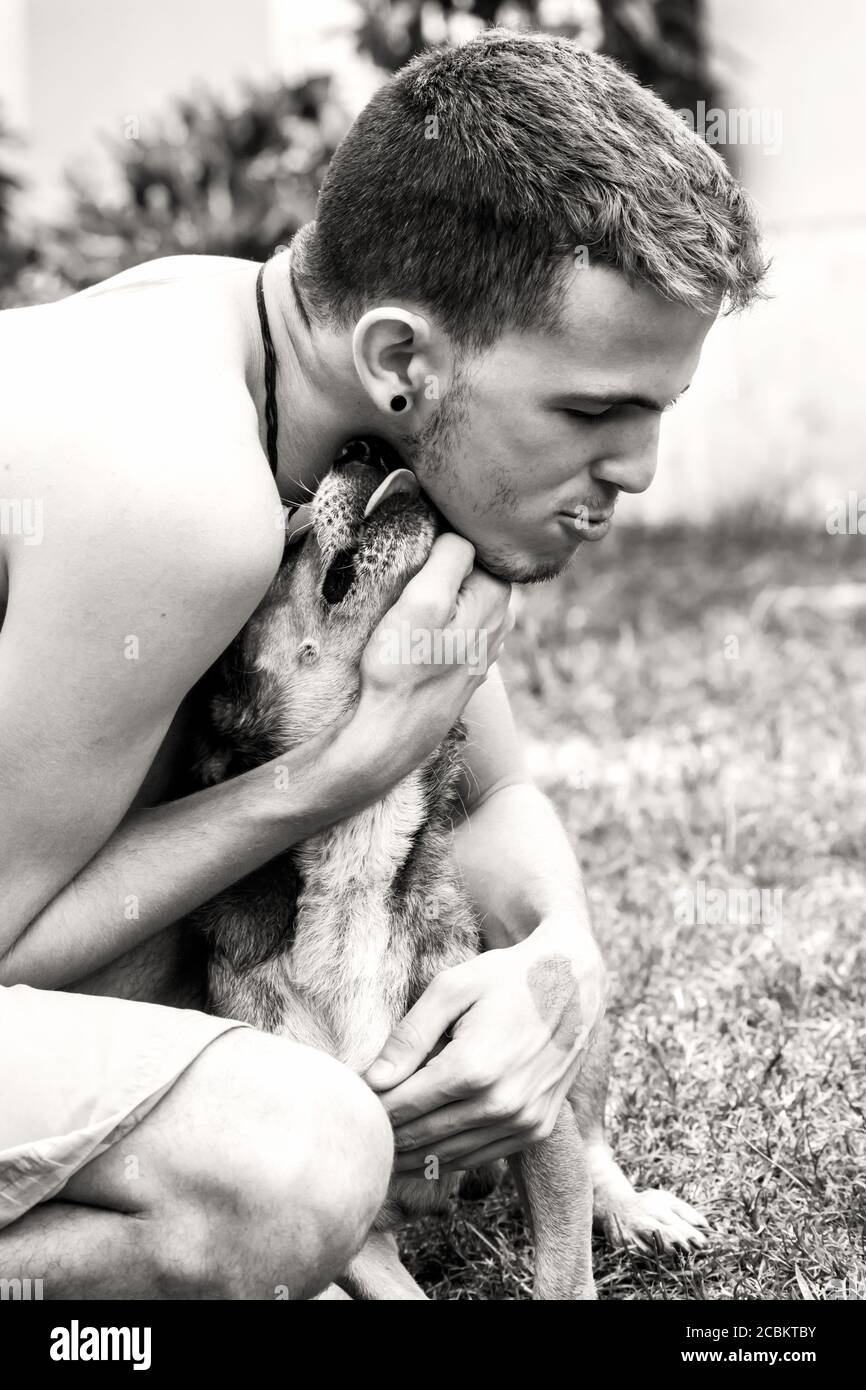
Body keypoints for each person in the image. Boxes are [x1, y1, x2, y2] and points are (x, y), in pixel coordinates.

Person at [0, 28, 765, 1298]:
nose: (635, 471)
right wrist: (334, 775)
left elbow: (494, 792)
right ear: (403, 360)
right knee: (297, 1154)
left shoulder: (322, 400)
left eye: (653, 411)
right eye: (589, 412)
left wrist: (554, 960)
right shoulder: (180, 493)